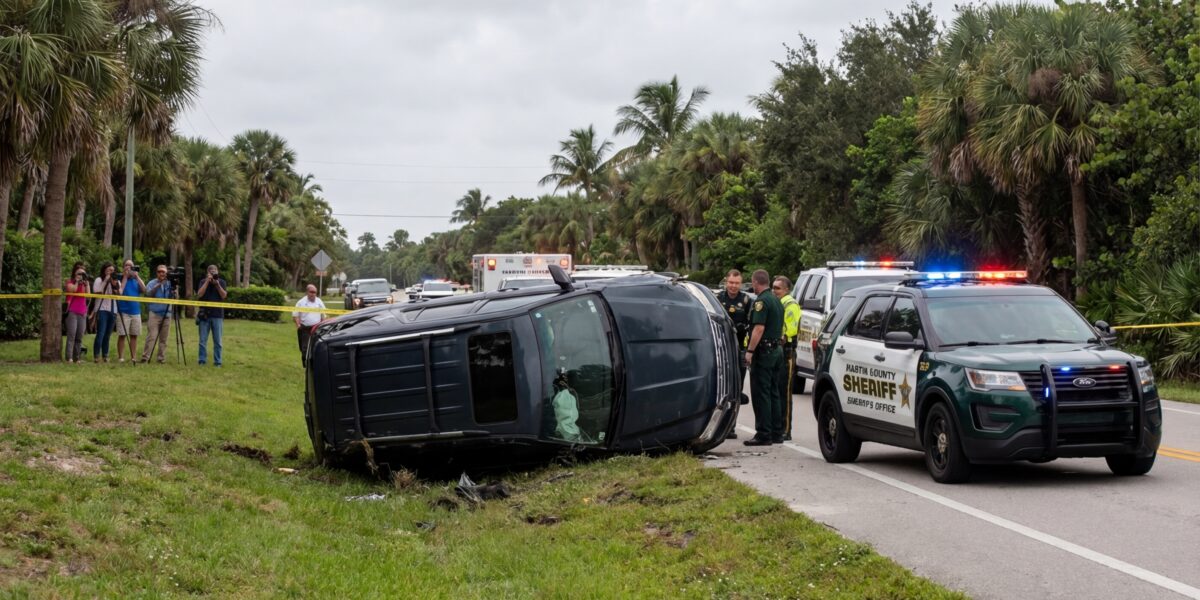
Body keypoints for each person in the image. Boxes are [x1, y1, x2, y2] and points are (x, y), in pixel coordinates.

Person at [744, 269, 784, 446]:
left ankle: (763, 433)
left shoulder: (761, 301)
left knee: (762, 393)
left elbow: (758, 329)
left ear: (755, 282)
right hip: (776, 351)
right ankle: (777, 432)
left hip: (764, 352)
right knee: (774, 392)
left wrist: (750, 351)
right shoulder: (776, 300)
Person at [717, 269, 753, 440]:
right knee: (722, 387)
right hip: (721, 349)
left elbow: (752, 323)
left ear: (741, 284)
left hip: (739, 349)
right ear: (726, 282)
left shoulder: (746, 300)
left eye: (737, 283)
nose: (733, 286)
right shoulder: (718, 299)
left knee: (737, 388)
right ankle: (719, 424)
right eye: (731, 283)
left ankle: (732, 425)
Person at [773, 276, 802, 441]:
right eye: (773, 287)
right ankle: (778, 427)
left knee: (785, 392)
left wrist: (779, 337)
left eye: (778, 288)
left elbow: (789, 329)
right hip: (779, 350)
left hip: (787, 351)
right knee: (777, 390)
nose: (774, 291)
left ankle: (786, 429)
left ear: (786, 290)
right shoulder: (779, 303)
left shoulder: (790, 304)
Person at [114, 260, 146, 363]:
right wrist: (125, 277)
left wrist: (137, 276)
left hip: (135, 311)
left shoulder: (136, 280)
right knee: (122, 334)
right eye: (126, 265)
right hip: (123, 311)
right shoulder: (120, 278)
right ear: (123, 267)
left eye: (131, 266)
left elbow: (145, 290)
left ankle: (133, 357)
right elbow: (120, 292)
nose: (128, 267)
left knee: (134, 335)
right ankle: (121, 357)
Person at [140, 265, 173, 364]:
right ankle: (145, 357)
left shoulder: (170, 283)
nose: (161, 273)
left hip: (167, 314)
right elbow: (148, 294)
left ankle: (161, 358)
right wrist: (159, 284)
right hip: (154, 313)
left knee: (164, 338)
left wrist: (174, 289)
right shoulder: (152, 283)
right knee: (151, 336)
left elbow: (175, 297)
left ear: (166, 273)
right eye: (159, 272)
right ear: (157, 273)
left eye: (163, 272)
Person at [196, 265, 227, 367]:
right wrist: (207, 282)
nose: (213, 273)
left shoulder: (221, 282)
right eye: (211, 272)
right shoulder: (202, 281)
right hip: (204, 315)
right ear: (207, 273)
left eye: (215, 272)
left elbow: (223, 296)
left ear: (218, 272)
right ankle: (202, 360)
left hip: (217, 315)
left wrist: (217, 285)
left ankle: (218, 362)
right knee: (202, 340)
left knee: (218, 341)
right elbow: (199, 295)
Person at [292, 284, 326, 367]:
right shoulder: (301, 302)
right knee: (305, 348)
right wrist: (298, 325)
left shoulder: (319, 302)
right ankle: (305, 364)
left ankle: (315, 364)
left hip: (317, 328)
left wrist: (323, 325)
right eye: (311, 292)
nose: (313, 294)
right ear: (307, 292)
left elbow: (324, 315)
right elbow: (295, 315)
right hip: (305, 329)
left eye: (315, 292)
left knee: (317, 346)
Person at [91, 262, 119, 363]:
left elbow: (119, 293)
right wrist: (106, 280)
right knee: (101, 333)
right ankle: (96, 355)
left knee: (108, 335)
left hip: (113, 310)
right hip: (102, 309)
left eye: (112, 270)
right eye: (108, 270)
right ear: (104, 270)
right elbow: (97, 291)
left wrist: (114, 283)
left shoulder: (116, 280)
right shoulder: (99, 279)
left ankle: (105, 355)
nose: (111, 272)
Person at [63, 265, 89, 363]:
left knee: (79, 336)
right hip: (72, 312)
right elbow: (72, 290)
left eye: (83, 274)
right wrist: (77, 282)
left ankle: (76, 358)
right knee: (71, 335)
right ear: (75, 274)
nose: (81, 275)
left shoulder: (84, 284)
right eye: (79, 273)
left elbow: (88, 295)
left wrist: (87, 284)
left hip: (82, 312)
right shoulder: (69, 282)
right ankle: (69, 357)